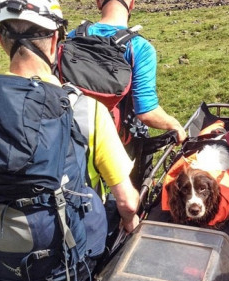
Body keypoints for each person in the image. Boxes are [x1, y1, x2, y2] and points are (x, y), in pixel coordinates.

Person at [0, 0, 139, 234]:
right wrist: (129, 221)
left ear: (1, 41)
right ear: (55, 40)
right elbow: (128, 203)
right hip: (69, 258)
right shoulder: (87, 109)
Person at [67, 0, 187, 189]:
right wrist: (175, 125)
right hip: (120, 142)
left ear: (99, 3)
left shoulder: (73, 37)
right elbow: (146, 112)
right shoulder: (139, 47)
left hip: (74, 136)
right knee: (129, 200)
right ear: (132, 4)